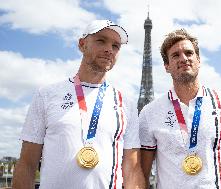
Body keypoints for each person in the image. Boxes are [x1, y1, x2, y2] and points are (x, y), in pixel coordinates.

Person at [13, 19, 145, 189]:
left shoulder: (125, 103)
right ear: (82, 45)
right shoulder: (47, 95)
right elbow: (27, 163)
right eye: (101, 40)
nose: (109, 49)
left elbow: (132, 170)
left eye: (115, 46)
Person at [139, 29, 221, 189]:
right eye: (175, 55)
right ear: (166, 66)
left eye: (189, 53)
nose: (184, 58)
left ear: (199, 60)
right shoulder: (149, 113)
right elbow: (141, 174)